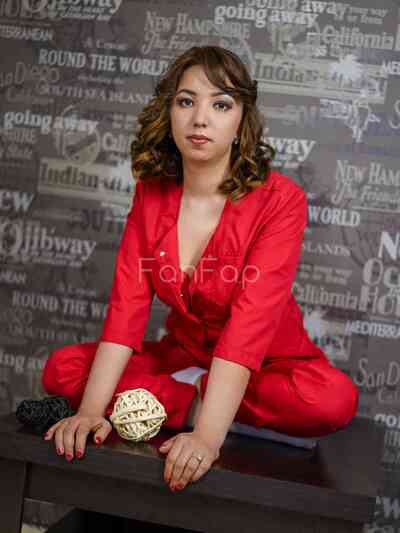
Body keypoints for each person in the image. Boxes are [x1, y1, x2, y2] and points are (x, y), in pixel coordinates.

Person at [41, 45, 359, 492]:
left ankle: (194, 405)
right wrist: (91, 412)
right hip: (184, 357)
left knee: (331, 400)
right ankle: (197, 400)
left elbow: (249, 327)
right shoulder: (151, 191)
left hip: (269, 365)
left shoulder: (280, 200)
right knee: (63, 369)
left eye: (220, 104)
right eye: (186, 101)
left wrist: (207, 437)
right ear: (169, 112)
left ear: (241, 121)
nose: (200, 119)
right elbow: (127, 309)